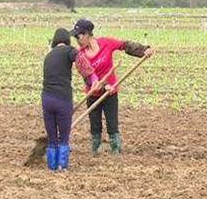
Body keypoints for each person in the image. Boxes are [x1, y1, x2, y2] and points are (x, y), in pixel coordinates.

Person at [71, 19, 153, 155]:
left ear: (87, 34)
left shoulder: (105, 43)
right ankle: (95, 150)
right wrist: (102, 87)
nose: (76, 40)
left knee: (112, 124)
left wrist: (144, 50)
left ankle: (116, 150)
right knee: (95, 126)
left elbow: (124, 45)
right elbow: (87, 78)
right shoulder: (81, 55)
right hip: (93, 93)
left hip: (111, 93)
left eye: (78, 36)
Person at [42, 28, 100, 170]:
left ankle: (52, 166)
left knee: (52, 136)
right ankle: (62, 166)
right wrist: (92, 79)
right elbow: (81, 62)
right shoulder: (69, 50)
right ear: (67, 41)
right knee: (64, 135)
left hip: (47, 98)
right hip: (63, 98)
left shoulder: (48, 56)